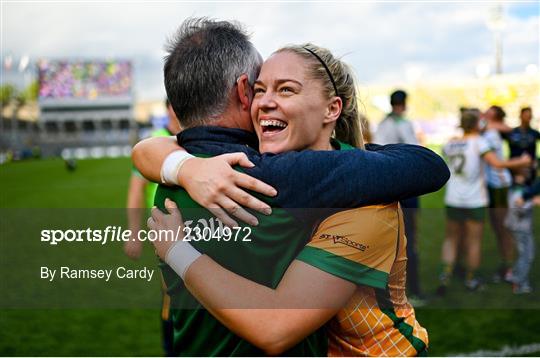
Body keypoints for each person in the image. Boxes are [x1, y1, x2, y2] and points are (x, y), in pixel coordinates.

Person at [132, 18, 449, 356]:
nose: (266, 101)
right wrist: (185, 169)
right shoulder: (271, 173)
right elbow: (427, 165)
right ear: (243, 92)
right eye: (259, 88)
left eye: (285, 89)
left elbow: (146, 149)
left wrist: (180, 177)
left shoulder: (178, 177)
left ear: (332, 108)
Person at [438, 109, 531, 294]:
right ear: (475, 124)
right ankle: (471, 280)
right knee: (474, 241)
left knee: (451, 238)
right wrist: (521, 162)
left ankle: (445, 276)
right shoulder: (479, 142)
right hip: (474, 200)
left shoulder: (451, 143)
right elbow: (497, 164)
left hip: (453, 198)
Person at [124, 98, 180, 357]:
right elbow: (136, 191)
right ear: (169, 109)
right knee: (173, 294)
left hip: (198, 228)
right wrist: (134, 234)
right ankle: (172, 348)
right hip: (164, 231)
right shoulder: (154, 142)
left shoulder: (195, 137)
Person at [374, 89, 423, 303]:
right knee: (408, 240)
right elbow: (416, 152)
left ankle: (392, 289)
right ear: (404, 103)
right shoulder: (402, 124)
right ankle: (413, 288)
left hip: (387, 187)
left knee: (392, 241)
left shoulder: (383, 125)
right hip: (404, 188)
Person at [482, 105, 519, 283]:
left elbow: (496, 162)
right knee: (498, 227)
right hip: (492, 185)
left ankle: (510, 268)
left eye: (489, 111)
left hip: (499, 185)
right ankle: (506, 265)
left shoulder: (491, 132)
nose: (485, 111)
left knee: (503, 228)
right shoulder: (488, 130)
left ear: (495, 116)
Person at [505, 169, 540, 294]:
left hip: (515, 226)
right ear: (515, 177)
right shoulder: (519, 192)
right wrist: (532, 201)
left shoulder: (516, 188)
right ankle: (519, 282)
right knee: (527, 255)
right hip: (521, 228)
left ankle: (512, 274)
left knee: (522, 253)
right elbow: (518, 207)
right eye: (521, 174)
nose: (527, 175)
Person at [503, 107, 539, 183]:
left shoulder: (534, 133)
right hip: (514, 167)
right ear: (520, 116)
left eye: (529, 116)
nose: (527, 118)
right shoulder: (511, 132)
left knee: (530, 191)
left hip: (530, 168)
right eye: (525, 115)